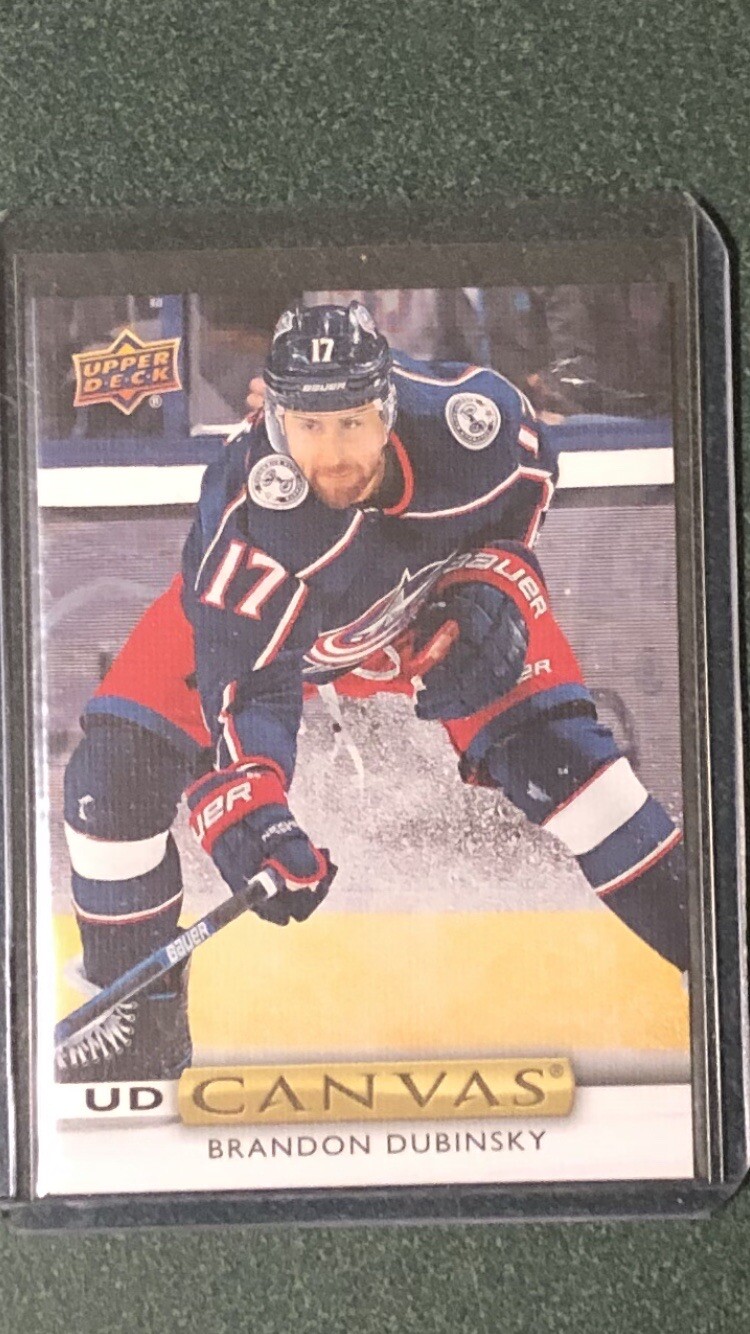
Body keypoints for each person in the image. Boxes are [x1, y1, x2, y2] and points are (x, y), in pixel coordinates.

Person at [58, 302, 688, 1082]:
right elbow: (248, 686)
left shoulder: (471, 422)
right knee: (112, 779)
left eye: (351, 423)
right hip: (270, 633)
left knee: (576, 775)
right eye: (308, 427)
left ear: (387, 407)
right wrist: (259, 814)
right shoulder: (251, 517)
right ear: (274, 417)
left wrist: (497, 577)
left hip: (428, 618)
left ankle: (726, 977)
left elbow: (529, 481)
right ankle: (140, 1030)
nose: (330, 455)